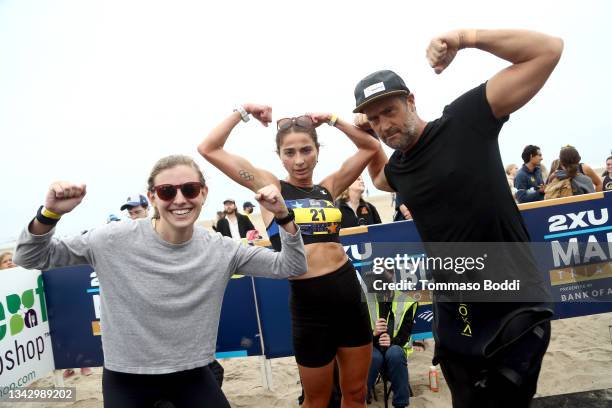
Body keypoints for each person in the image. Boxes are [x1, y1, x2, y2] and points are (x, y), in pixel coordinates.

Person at [356, 28, 563, 408]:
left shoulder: (464, 120)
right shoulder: (398, 167)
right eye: (373, 120)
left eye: (390, 111)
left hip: (513, 304)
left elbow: (547, 50)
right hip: (456, 314)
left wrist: (465, 38)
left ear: (411, 101)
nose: (384, 125)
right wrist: (350, 127)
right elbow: (377, 176)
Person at [13, 154, 307, 408]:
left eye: (189, 189)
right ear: (152, 196)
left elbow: (291, 266)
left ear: (203, 193)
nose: (180, 199)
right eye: (167, 191)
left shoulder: (221, 249)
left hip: (193, 373)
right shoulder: (112, 239)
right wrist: (50, 214)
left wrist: (283, 216)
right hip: (126, 377)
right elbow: (31, 257)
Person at [199, 105, 380, 407]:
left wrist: (333, 120)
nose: (299, 160)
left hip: (349, 296)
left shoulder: (328, 188)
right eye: (290, 152)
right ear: (279, 155)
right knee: (316, 400)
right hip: (309, 305)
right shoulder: (271, 186)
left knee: (356, 394)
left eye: (306, 150)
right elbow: (209, 148)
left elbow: (370, 146)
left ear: (317, 151)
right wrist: (242, 112)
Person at [364, 272, 417, 408]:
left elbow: (406, 335)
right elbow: (358, 336)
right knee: (373, 357)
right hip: (372, 346)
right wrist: (373, 333)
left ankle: (400, 403)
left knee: (395, 354)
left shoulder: (406, 302)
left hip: (395, 347)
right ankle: (361, 397)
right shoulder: (367, 300)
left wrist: (392, 341)